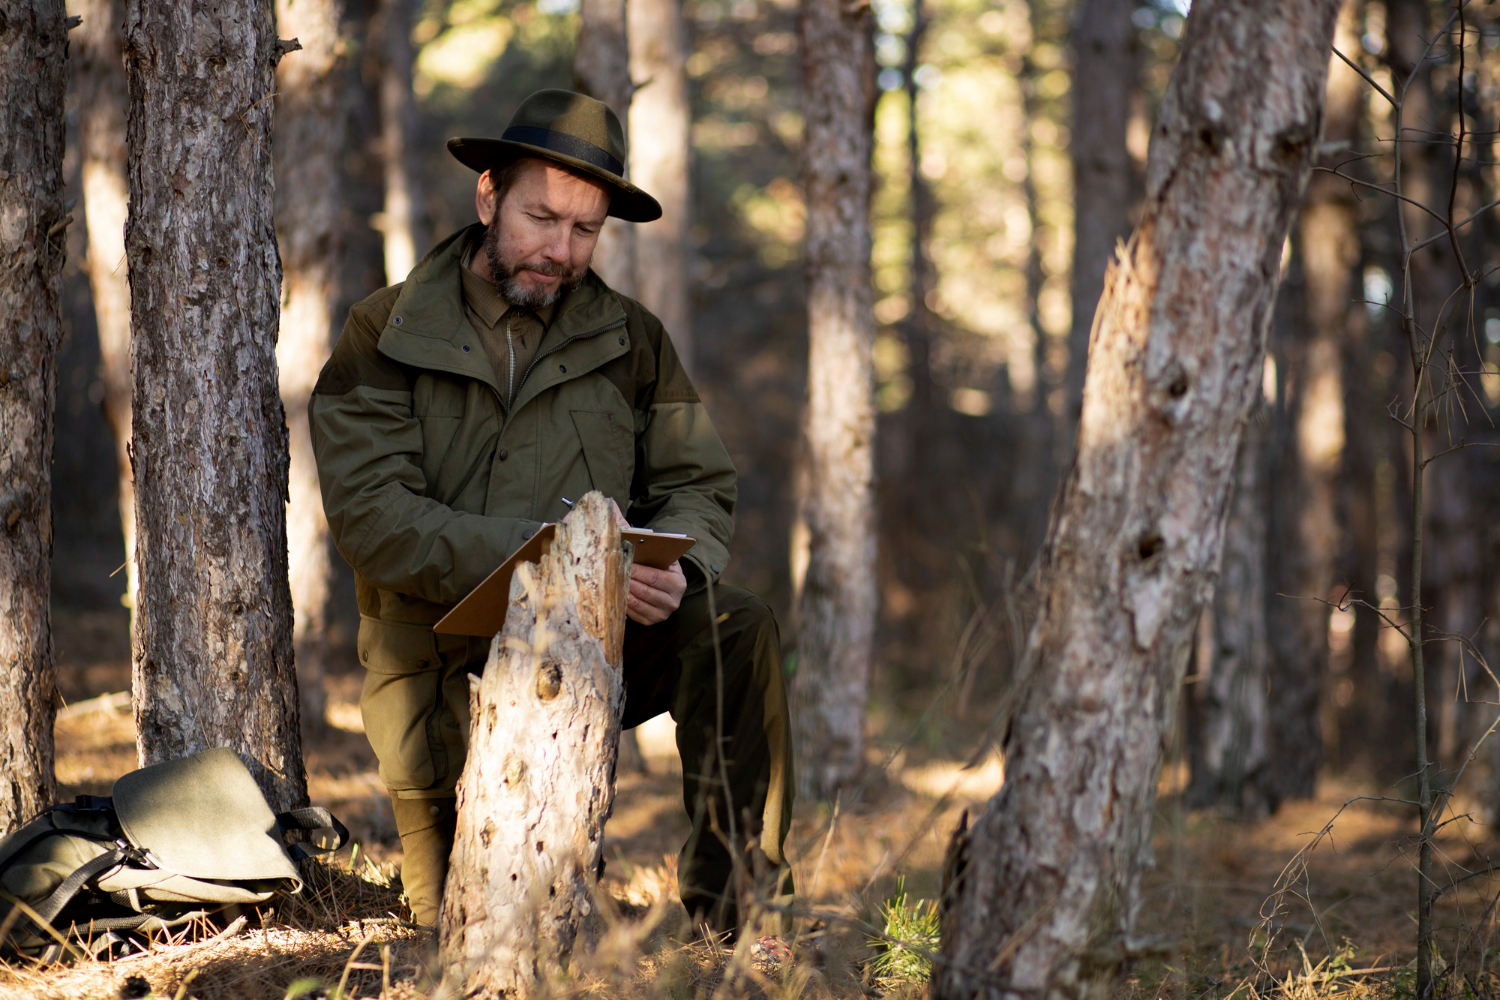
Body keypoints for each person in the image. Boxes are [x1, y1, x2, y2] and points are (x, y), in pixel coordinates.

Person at [308, 89, 795, 937]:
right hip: (439, 668)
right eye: (541, 218)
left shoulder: (631, 339)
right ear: (487, 195)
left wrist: (679, 569)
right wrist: (555, 557)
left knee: (737, 625)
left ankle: (742, 917)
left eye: (585, 230)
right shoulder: (383, 333)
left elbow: (699, 483)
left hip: (596, 639)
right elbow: (375, 521)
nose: (560, 250)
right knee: (468, 927)